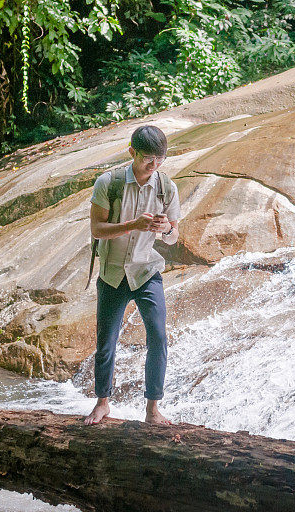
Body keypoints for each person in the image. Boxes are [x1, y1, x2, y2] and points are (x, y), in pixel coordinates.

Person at [84, 125, 180, 425]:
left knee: (158, 336)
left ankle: (152, 409)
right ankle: (102, 403)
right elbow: (97, 229)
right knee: (106, 341)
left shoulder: (167, 188)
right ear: (132, 153)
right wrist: (133, 225)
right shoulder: (108, 183)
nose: (154, 165)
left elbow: (174, 236)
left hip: (146, 271)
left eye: (160, 159)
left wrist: (165, 228)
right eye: (148, 158)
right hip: (113, 273)